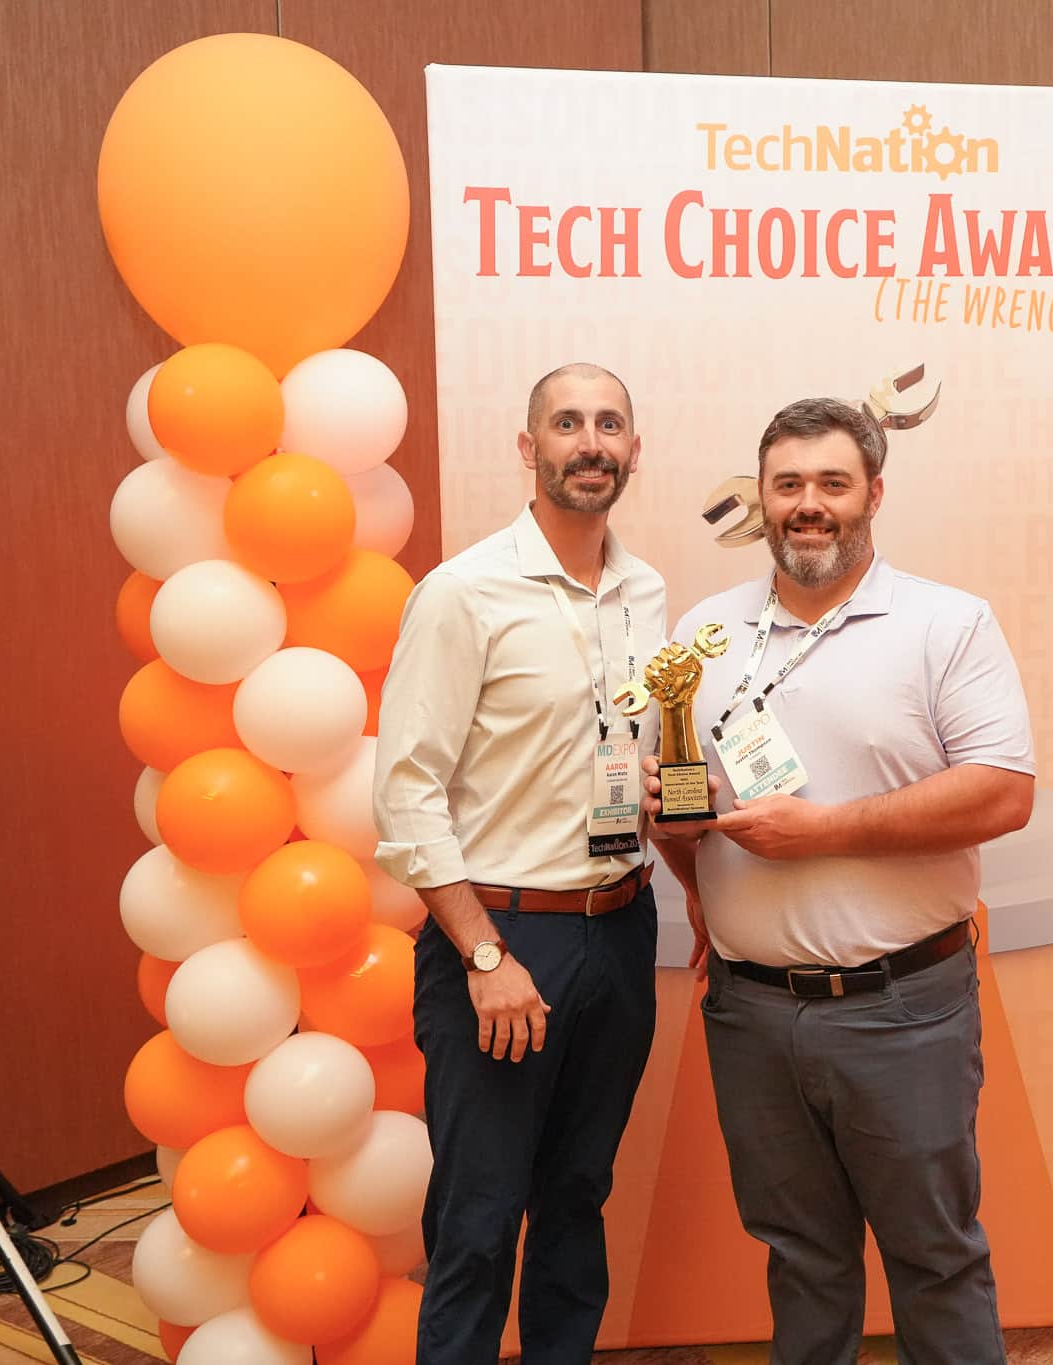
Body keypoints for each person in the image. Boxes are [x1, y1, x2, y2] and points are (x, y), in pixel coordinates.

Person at [646, 397, 1035, 1364]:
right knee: (801, 1257)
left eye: (832, 483)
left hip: (903, 1007)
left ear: (874, 494)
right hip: (751, 1012)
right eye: (788, 485)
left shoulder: (946, 622)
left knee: (935, 1257)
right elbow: (683, 804)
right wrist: (684, 850)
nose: (808, 504)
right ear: (762, 498)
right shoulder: (704, 633)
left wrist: (821, 832)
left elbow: (1002, 792)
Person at [373, 363, 664, 1363]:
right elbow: (406, 792)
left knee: (577, 1197)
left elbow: (626, 748)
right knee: (479, 1216)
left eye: (610, 425)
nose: (591, 442)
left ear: (633, 450)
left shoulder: (645, 593)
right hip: (502, 940)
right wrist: (484, 955)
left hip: (619, 930)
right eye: (568, 423)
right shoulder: (462, 593)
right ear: (528, 447)